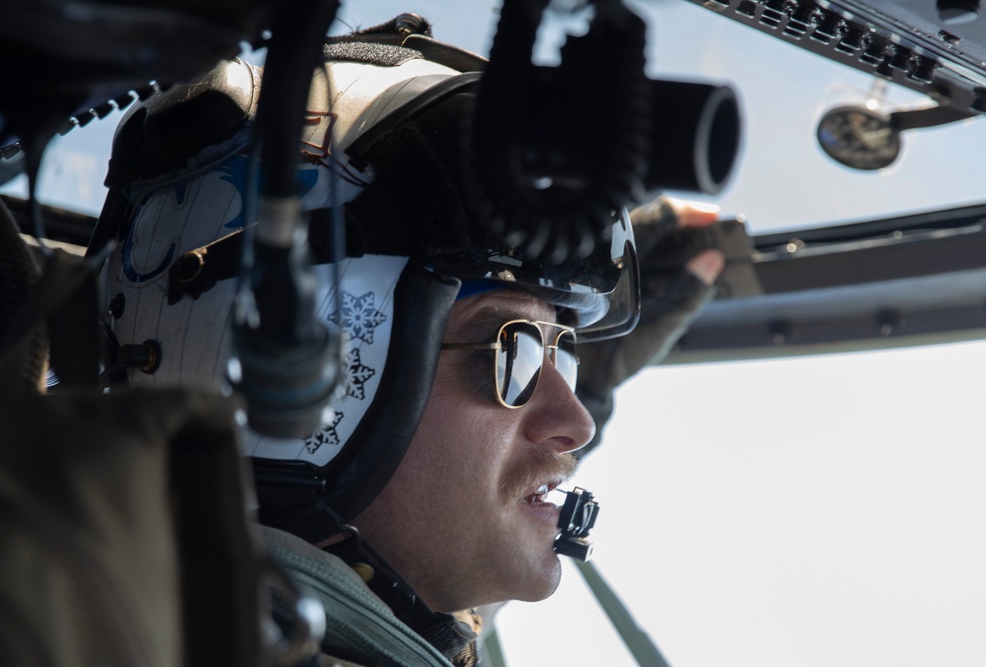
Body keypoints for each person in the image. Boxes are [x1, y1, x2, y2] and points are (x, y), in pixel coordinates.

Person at [95, 14, 726, 666]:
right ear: (291, 365)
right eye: (515, 351)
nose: (577, 422)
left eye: (562, 350)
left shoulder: (386, 626)